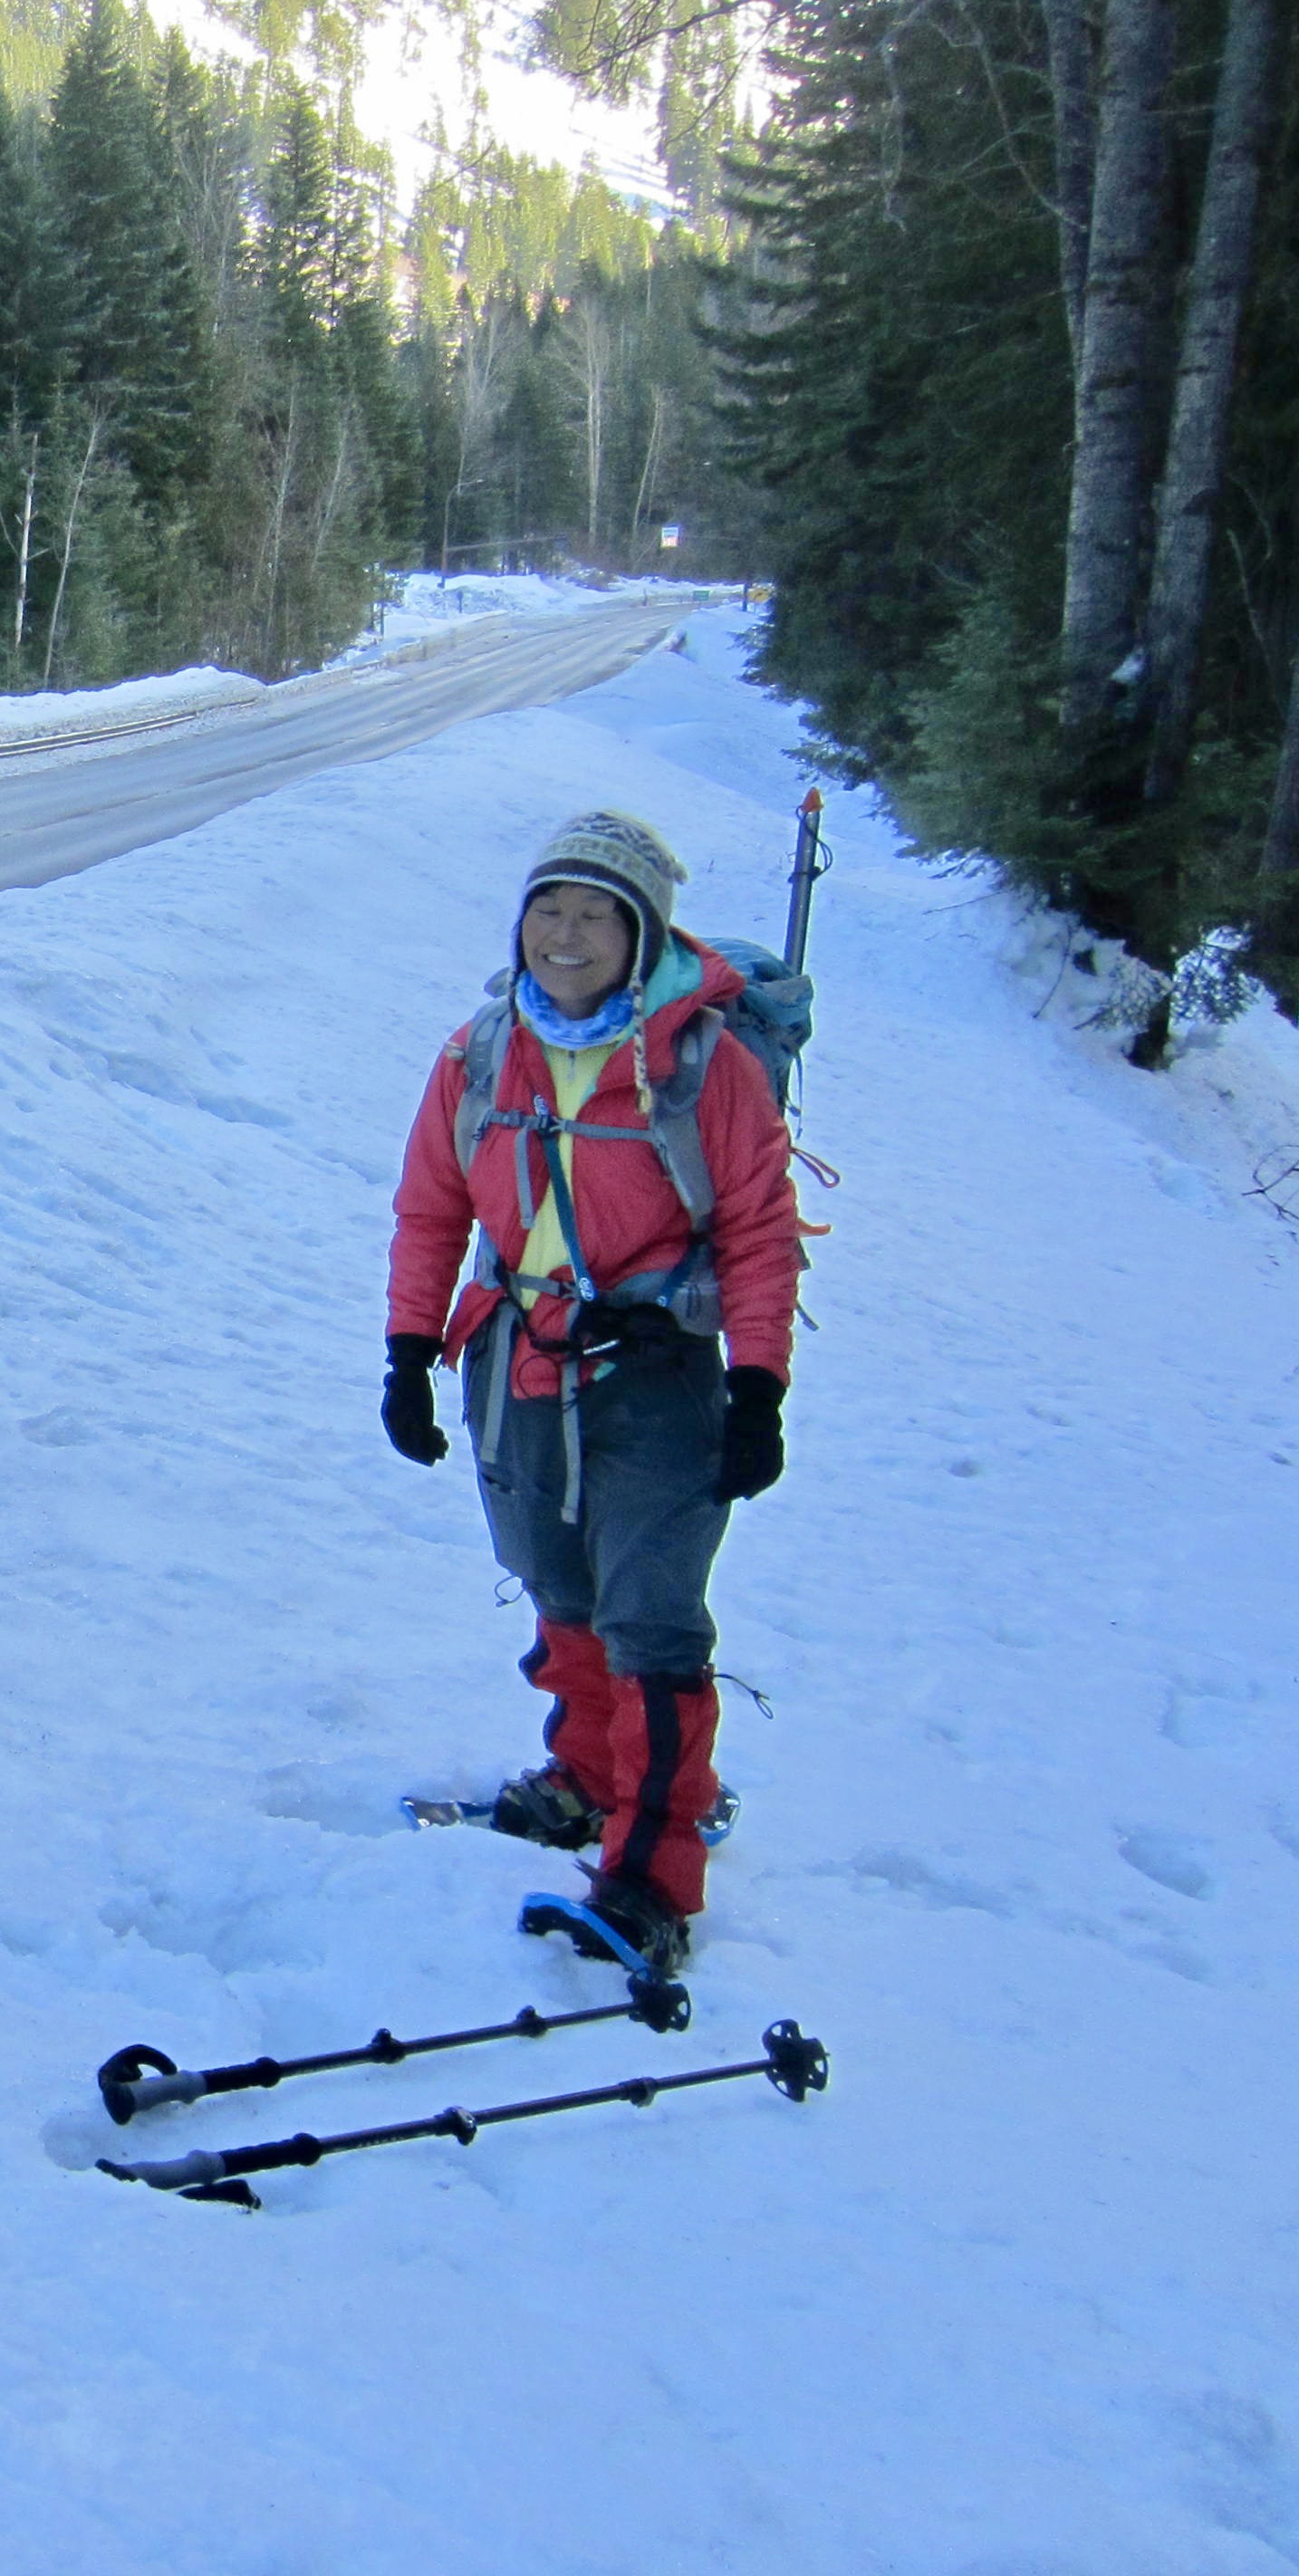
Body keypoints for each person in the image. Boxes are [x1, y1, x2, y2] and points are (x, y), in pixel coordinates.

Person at [380, 810, 803, 1977]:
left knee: (651, 1620)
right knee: (558, 1584)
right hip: (515, 1360)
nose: (563, 935)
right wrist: (408, 1351)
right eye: (547, 909)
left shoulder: (701, 1065)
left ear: (640, 935)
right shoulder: (478, 1052)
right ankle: (588, 1778)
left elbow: (759, 1233)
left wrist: (757, 1386)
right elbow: (432, 1207)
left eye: (593, 916)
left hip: (654, 1373)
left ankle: (650, 1877)